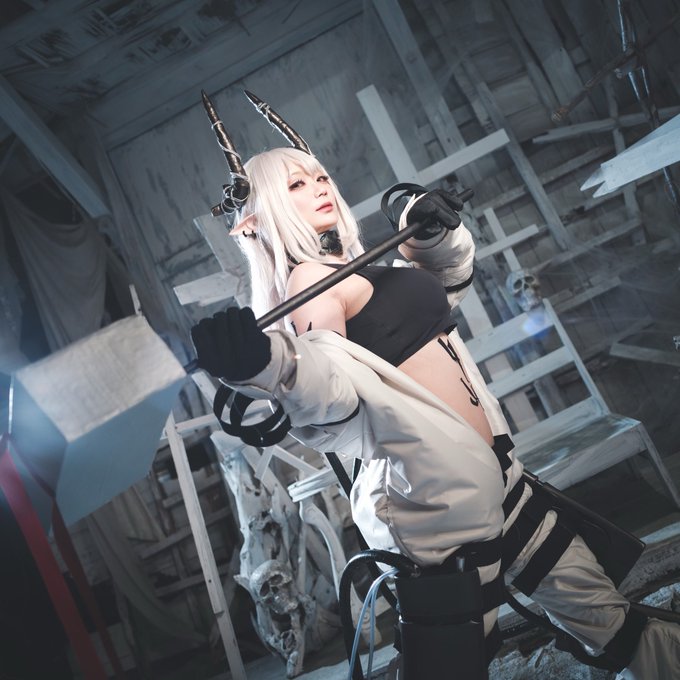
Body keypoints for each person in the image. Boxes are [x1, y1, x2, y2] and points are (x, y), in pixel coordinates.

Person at [191, 93, 680, 679]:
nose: (321, 187)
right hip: (440, 512)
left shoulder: (354, 267)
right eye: (296, 184)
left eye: (319, 175)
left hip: (500, 481)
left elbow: (438, 293)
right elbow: (332, 388)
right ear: (265, 212)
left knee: (610, 624)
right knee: (452, 667)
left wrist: (431, 236)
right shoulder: (311, 280)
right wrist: (275, 366)